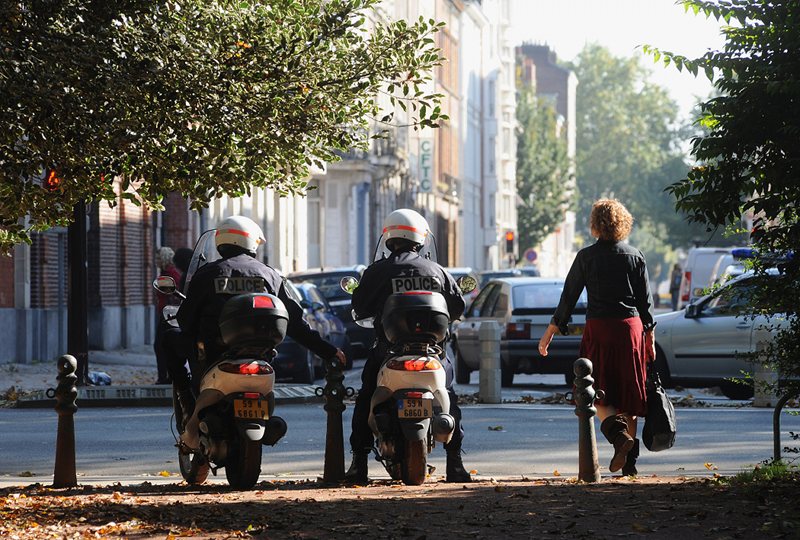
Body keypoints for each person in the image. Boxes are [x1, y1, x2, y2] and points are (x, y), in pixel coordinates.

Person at [165, 215, 346, 438]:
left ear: (221, 242)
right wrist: (328, 351)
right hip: (261, 354)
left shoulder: (208, 273)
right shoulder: (269, 275)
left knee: (168, 338)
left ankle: (186, 398)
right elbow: (295, 323)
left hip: (215, 353)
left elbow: (185, 319)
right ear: (251, 242)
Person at [344, 208, 472, 484]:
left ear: (389, 238)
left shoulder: (378, 271)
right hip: (432, 353)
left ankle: (358, 463)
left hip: (388, 352)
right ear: (421, 239)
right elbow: (458, 307)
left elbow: (360, 307)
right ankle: (456, 463)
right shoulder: (436, 270)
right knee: (449, 394)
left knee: (367, 396)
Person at [538, 199, 656, 476]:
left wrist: (550, 332)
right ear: (623, 223)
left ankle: (618, 437)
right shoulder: (635, 256)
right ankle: (630, 464)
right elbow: (646, 303)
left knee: (595, 392)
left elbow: (569, 296)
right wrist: (649, 338)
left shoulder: (586, 257)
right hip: (630, 330)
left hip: (600, 329)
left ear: (595, 225)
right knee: (629, 394)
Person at [153, 247, 183, 385]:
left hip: (168, 314)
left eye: (158, 258)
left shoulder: (169, 274)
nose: (156, 261)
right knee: (164, 345)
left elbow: (172, 294)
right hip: (167, 312)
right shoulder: (169, 272)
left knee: (160, 345)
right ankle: (167, 376)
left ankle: (164, 377)